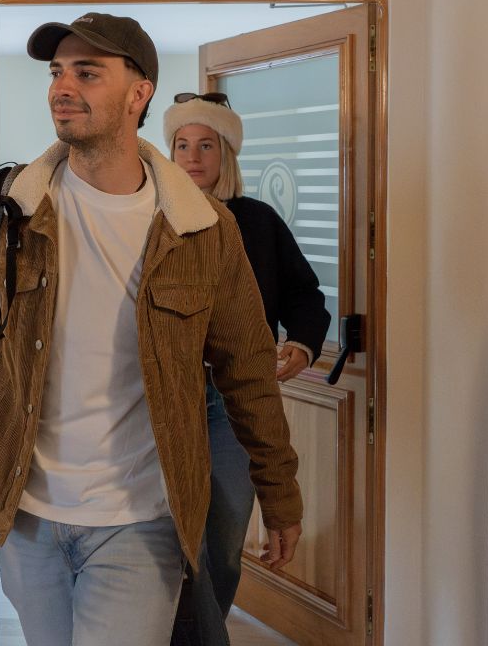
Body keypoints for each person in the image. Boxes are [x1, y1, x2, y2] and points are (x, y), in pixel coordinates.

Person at [0, 13, 304, 646]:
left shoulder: (202, 228)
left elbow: (249, 370)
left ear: (139, 93)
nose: (63, 88)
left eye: (87, 73)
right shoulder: (10, 211)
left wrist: (279, 492)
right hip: (25, 512)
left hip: (140, 520)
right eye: (57, 73)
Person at [165, 91, 330, 645]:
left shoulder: (258, 222)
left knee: (225, 538)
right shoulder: (153, 218)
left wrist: (302, 344)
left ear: (226, 154)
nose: (192, 157)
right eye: (181, 145)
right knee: (171, 539)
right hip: (166, 396)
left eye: (205, 146)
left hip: (234, 399)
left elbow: (305, 295)